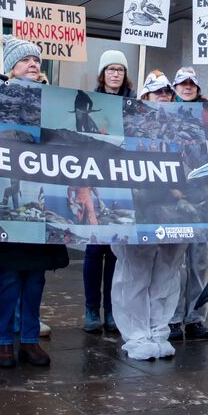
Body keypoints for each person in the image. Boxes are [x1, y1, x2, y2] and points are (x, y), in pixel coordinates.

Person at [0, 37, 68, 368]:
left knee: (35, 277)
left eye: (37, 60)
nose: (34, 64)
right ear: (11, 68)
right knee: (8, 276)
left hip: (39, 201)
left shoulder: (53, 102)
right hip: (8, 197)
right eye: (26, 61)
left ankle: (30, 339)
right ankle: (4, 341)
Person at [110, 70, 188, 360]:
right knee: (135, 272)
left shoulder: (181, 125)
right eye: (157, 93)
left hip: (173, 212)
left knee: (168, 271)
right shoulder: (127, 125)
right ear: (144, 97)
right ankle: (136, 334)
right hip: (140, 209)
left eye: (167, 92)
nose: (163, 97)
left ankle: (158, 329)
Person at [82, 50, 132, 333]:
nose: (116, 74)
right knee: (94, 248)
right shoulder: (88, 103)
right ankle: (91, 308)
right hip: (94, 175)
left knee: (115, 250)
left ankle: (112, 309)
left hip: (120, 180)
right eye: (111, 69)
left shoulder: (133, 104)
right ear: (102, 74)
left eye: (120, 70)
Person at [168, 66, 208, 343]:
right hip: (173, 196)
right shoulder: (163, 112)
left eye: (191, 84)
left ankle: (195, 318)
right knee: (175, 264)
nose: (187, 88)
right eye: (182, 83)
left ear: (197, 87)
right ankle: (173, 318)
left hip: (202, 196)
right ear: (175, 88)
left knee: (199, 263)